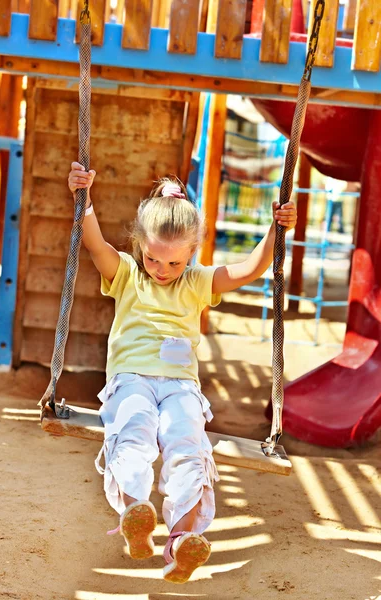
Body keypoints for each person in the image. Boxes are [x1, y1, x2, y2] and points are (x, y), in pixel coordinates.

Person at [68, 162, 297, 584]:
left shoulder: (196, 281)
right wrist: (84, 199)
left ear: (191, 253)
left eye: (173, 263)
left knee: (188, 444)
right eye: (153, 258)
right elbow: (95, 243)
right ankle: (137, 513)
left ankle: (180, 541)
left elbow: (249, 269)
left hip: (179, 388)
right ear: (139, 245)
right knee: (133, 428)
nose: (161, 269)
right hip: (132, 378)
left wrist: (275, 230)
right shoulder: (127, 275)